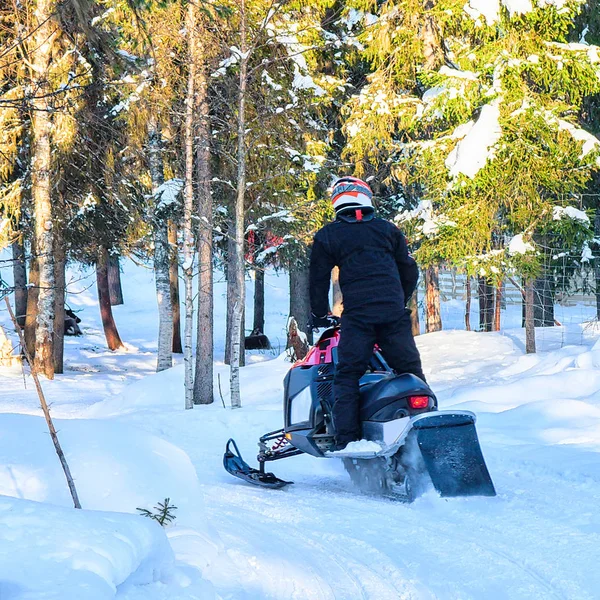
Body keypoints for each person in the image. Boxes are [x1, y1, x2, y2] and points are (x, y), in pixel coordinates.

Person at [309, 176, 426, 451]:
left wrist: (318, 314)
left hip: (359, 318)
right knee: (410, 370)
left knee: (348, 374)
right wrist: (399, 298)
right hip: (393, 314)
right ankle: (426, 430)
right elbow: (409, 270)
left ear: (337, 201)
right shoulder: (388, 230)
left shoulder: (328, 235)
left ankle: (347, 442)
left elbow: (318, 279)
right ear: (365, 197)